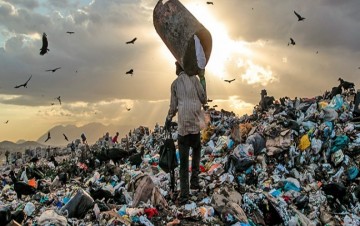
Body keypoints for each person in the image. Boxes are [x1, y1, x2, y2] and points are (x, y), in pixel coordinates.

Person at [165, 61, 207, 205]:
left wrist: (168, 118)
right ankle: (194, 181)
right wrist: (202, 78)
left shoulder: (175, 84)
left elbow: (173, 106)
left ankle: (184, 195)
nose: (175, 68)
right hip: (195, 126)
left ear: (180, 67)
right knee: (196, 151)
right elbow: (204, 98)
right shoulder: (195, 80)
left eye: (176, 65)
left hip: (183, 129)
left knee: (183, 164)